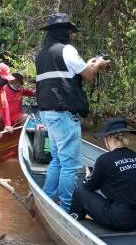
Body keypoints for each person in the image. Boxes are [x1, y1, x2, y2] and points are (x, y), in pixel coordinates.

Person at [35, 12, 110, 211]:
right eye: (69, 31)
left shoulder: (41, 54)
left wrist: (91, 64)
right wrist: (98, 65)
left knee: (57, 159)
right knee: (69, 165)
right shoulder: (67, 50)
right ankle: (66, 208)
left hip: (47, 113)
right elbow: (87, 75)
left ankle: (49, 198)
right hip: (63, 114)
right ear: (65, 31)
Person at [69, 118, 136, 230]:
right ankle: (86, 216)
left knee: (80, 191)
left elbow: (89, 187)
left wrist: (88, 177)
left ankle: (74, 220)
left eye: (104, 138)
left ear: (109, 138)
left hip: (119, 219)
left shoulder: (105, 159)